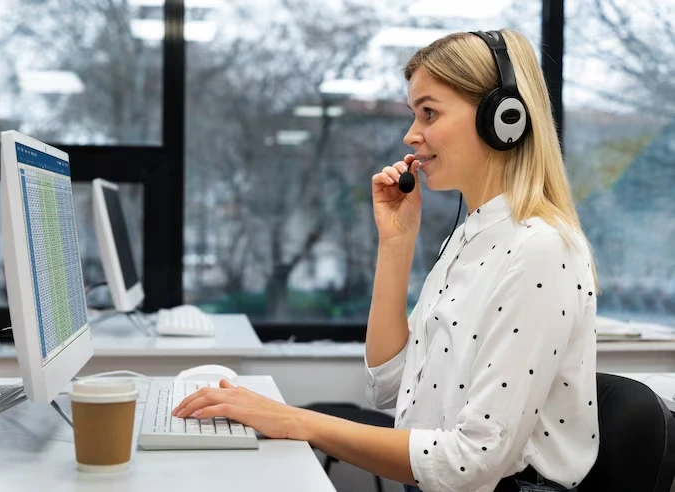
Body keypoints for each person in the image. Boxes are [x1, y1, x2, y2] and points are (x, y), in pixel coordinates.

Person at [172, 29, 599, 492]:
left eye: (429, 112)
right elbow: (388, 386)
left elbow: (471, 461)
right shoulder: (470, 236)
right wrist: (396, 244)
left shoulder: (540, 248)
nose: (411, 134)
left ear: (504, 117)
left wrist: (296, 421)